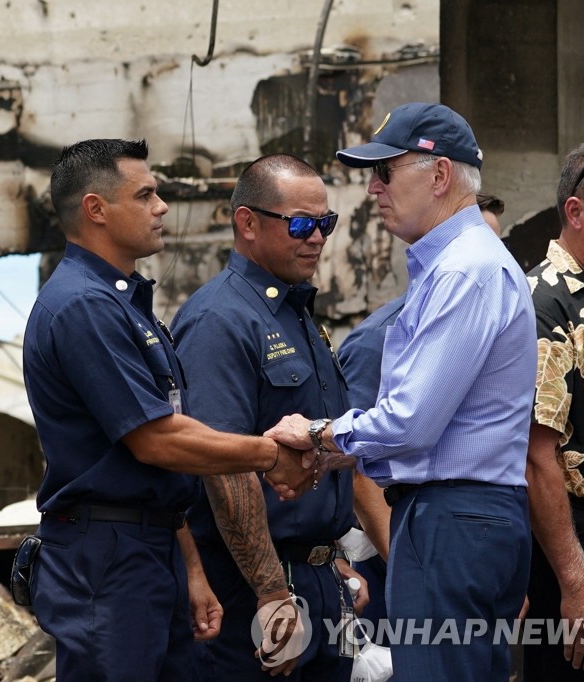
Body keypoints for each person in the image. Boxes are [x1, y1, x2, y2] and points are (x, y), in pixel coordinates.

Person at [22, 138, 312, 681]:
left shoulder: (123, 303)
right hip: (106, 557)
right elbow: (156, 441)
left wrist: (192, 568)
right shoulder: (84, 305)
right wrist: (268, 454)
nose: (162, 208)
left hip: (151, 544)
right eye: (147, 194)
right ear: (96, 209)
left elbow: (161, 465)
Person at [268, 102, 537, 680]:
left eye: (386, 171)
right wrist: (330, 451)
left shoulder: (465, 269)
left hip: (454, 516)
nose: (372, 188)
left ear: (439, 175)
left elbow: (411, 421)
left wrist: (316, 435)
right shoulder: (459, 267)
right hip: (461, 515)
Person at [171, 153, 367, 681]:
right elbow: (222, 463)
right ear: (248, 223)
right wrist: (271, 592)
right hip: (254, 583)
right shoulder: (220, 318)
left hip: (318, 576)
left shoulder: (297, 314)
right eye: (301, 224)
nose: (317, 238)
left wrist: (330, 562)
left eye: (326, 223)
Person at [338, 192, 508, 629]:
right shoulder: (380, 337)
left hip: (468, 545)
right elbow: (357, 466)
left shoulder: (496, 323)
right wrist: (416, 575)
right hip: (397, 550)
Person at [522, 139, 584, 679]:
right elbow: (536, 458)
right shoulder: (544, 300)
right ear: (575, 212)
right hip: (567, 538)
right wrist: (576, 584)